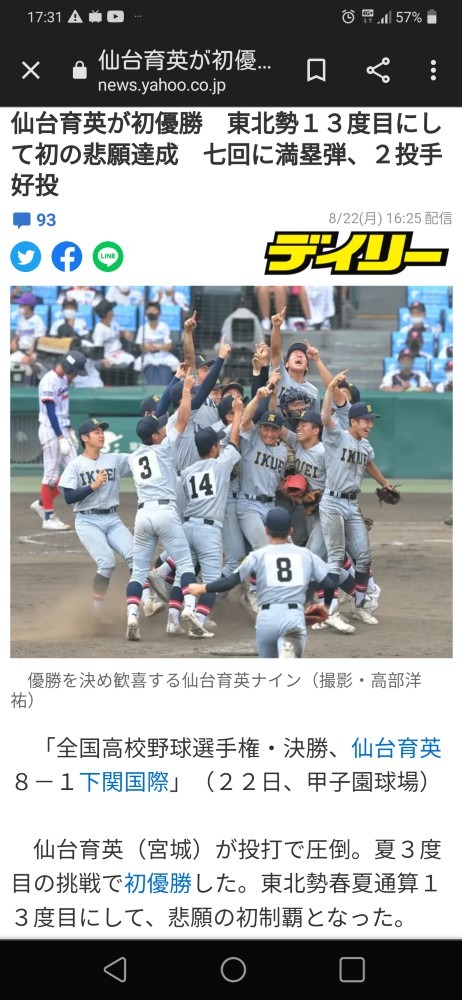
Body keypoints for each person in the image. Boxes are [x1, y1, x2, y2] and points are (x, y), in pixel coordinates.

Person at [125, 371, 208, 642]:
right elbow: (183, 417)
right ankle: (190, 609)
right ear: (157, 434)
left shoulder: (135, 456)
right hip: (165, 512)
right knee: (185, 566)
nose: (163, 427)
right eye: (159, 427)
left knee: (138, 572)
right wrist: (185, 390)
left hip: (142, 514)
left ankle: (132, 615)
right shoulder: (163, 447)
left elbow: (165, 422)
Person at [188, 507, 335, 658]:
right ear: (291, 531)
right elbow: (329, 584)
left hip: (267, 618)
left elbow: (230, 582)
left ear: (266, 531)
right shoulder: (306, 555)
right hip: (293, 617)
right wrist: (325, 606)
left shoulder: (257, 556)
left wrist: (202, 588)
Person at [319, 371, 397, 625]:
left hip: (352, 504)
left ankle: (360, 606)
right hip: (331, 502)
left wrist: (384, 482)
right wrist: (331, 387)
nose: (370, 424)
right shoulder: (336, 436)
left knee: (363, 557)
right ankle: (330, 611)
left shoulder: (365, 445)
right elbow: (324, 417)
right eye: (365, 420)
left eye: (371, 420)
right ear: (352, 421)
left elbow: (368, 463)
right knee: (335, 557)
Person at [57, 418, 148, 617]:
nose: (101, 434)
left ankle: (147, 602)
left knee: (136, 556)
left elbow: (139, 457)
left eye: (102, 431)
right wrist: (92, 486)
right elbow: (69, 497)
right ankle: (96, 613)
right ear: (84, 438)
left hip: (112, 519)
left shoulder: (114, 459)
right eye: (96, 432)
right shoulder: (75, 465)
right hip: (88, 521)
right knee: (106, 562)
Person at [167, 402, 243, 634]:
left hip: (188, 526)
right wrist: (238, 414)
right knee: (210, 580)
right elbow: (235, 439)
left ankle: (172, 620)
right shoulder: (220, 465)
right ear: (213, 447)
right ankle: (197, 616)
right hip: (209, 530)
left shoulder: (188, 471)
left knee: (183, 574)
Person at [236, 381, 288, 615]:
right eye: (265, 428)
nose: (269, 432)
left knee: (287, 549)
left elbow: (277, 482)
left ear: (279, 432)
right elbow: (245, 421)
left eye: (273, 429)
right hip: (248, 504)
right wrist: (257, 398)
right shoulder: (251, 440)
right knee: (263, 548)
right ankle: (254, 592)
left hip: (271, 506)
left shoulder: (282, 451)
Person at [29, 350, 88, 530]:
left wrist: (68, 429)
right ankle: (48, 517)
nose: (76, 375)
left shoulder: (63, 380)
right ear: (69, 367)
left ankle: (41, 503)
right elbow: (50, 411)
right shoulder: (49, 380)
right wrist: (61, 436)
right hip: (49, 430)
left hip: (62, 428)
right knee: (51, 476)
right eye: (75, 371)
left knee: (76, 470)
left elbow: (62, 409)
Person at [270, 308, 320, 410]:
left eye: (303, 355)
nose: (299, 355)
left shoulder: (314, 391)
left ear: (307, 367)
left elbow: (315, 421)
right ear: (286, 364)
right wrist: (276, 327)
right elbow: (275, 351)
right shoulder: (280, 377)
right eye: (295, 354)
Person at [134, 301, 178, 385]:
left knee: (175, 363)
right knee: (137, 364)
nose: (151, 312)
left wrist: (157, 347)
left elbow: (169, 345)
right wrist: (146, 347)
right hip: (148, 355)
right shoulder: (142, 328)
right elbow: (140, 346)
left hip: (162, 354)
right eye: (149, 310)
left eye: (154, 310)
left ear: (159, 313)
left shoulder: (164, 326)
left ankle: (172, 387)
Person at [91, 299, 137, 378]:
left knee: (132, 360)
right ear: (108, 313)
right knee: (127, 362)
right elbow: (97, 349)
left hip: (119, 353)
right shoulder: (99, 329)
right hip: (108, 356)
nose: (113, 312)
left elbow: (117, 333)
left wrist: (124, 332)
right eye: (111, 310)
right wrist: (103, 360)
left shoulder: (113, 323)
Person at [10, 292, 47, 380]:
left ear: (29, 306)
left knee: (33, 368)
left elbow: (39, 340)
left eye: (22, 305)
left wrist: (30, 355)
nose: (19, 308)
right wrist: (14, 341)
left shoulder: (38, 321)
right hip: (21, 351)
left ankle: (39, 370)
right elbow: (17, 335)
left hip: (33, 353)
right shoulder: (21, 319)